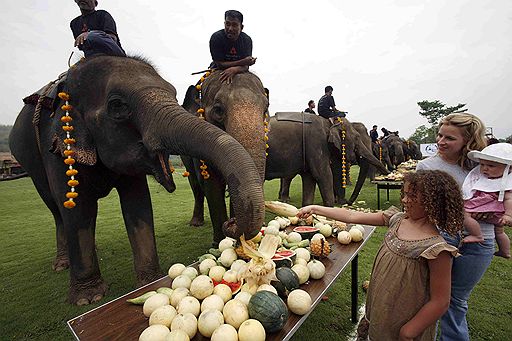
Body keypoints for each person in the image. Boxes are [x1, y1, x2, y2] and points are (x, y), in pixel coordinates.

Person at [297, 170, 463, 340]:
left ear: (433, 202)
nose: (405, 200)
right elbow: (352, 215)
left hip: (404, 320)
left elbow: (440, 301)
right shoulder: (397, 219)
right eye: (404, 194)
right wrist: (315, 208)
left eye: (412, 196)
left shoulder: (437, 249)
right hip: (381, 308)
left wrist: (409, 331)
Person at [416, 113, 491, 340]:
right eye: (439, 135)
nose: (440, 141)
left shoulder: (484, 167)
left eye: (449, 138)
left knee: (456, 300)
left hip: (480, 243)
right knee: (435, 297)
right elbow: (420, 207)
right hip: (442, 239)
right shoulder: (426, 166)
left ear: (467, 142)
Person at [461, 143, 512, 257]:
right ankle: (505, 251)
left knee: (465, 214)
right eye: (482, 164)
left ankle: (477, 235)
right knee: (499, 231)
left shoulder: (506, 184)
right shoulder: (485, 177)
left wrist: (508, 215)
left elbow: (509, 199)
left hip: (492, 208)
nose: (485, 168)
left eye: (491, 166)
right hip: (496, 213)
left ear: (508, 168)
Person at [209, 10, 256, 84]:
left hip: (241, 70)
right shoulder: (216, 38)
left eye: (234, 25)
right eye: (228, 24)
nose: (230, 29)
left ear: (241, 27)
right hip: (217, 69)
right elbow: (220, 64)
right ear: (224, 24)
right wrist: (243, 62)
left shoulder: (246, 40)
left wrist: (235, 69)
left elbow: (246, 66)